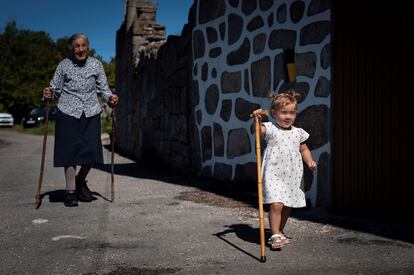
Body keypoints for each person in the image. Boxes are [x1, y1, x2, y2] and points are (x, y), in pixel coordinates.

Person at [43, 33, 118, 207]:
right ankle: (70, 192)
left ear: (88, 46)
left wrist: (110, 98)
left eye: (83, 45)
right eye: (76, 46)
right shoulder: (63, 65)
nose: (80, 49)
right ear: (71, 48)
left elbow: (104, 89)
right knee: (69, 152)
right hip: (68, 112)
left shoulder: (96, 64)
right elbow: (55, 89)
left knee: (92, 151)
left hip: (91, 112)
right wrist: (49, 93)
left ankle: (80, 180)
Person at [251, 90, 317, 250]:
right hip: (274, 174)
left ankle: (280, 230)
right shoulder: (271, 128)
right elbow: (257, 132)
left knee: (288, 205)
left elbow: (304, 149)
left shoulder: (298, 132)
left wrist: (309, 161)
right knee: (277, 204)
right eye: (284, 112)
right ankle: (274, 234)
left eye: (292, 113)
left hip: (292, 175)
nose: (288, 116)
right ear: (274, 113)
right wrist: (257, 120)